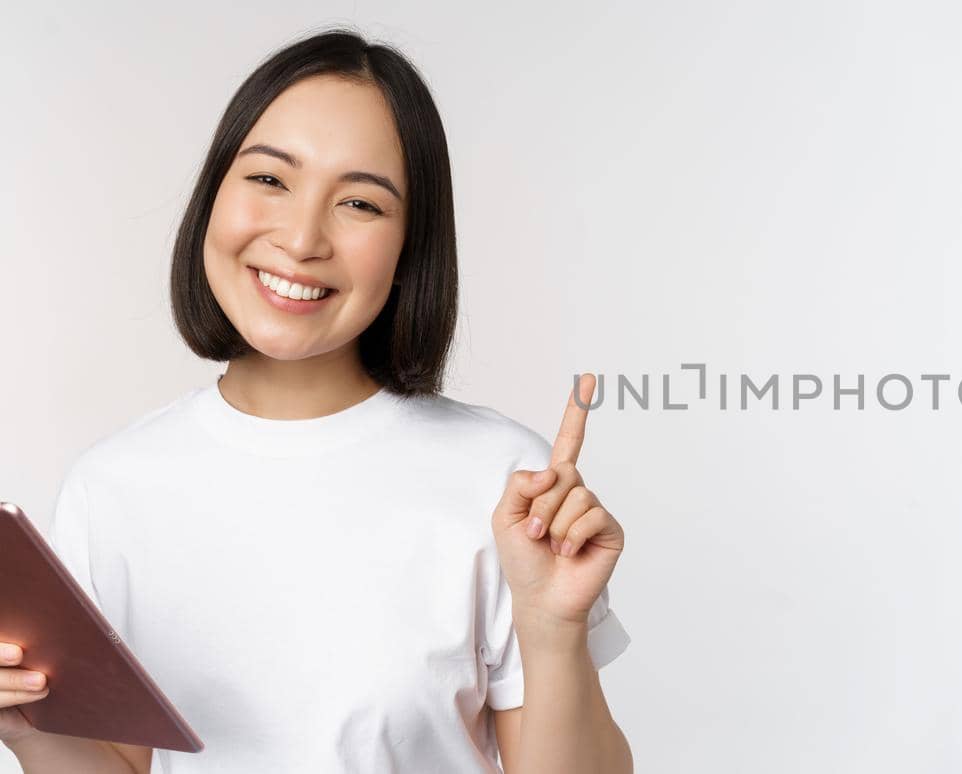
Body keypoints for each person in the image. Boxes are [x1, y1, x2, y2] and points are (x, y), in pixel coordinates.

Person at [0, 27, 634, 774]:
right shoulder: (110, 489)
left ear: (408, 251)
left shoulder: (506, 484)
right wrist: (28, 727)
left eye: (360, 203)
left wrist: (552, 631)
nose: (301, 239)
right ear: (214, 197)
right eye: (269, 179)